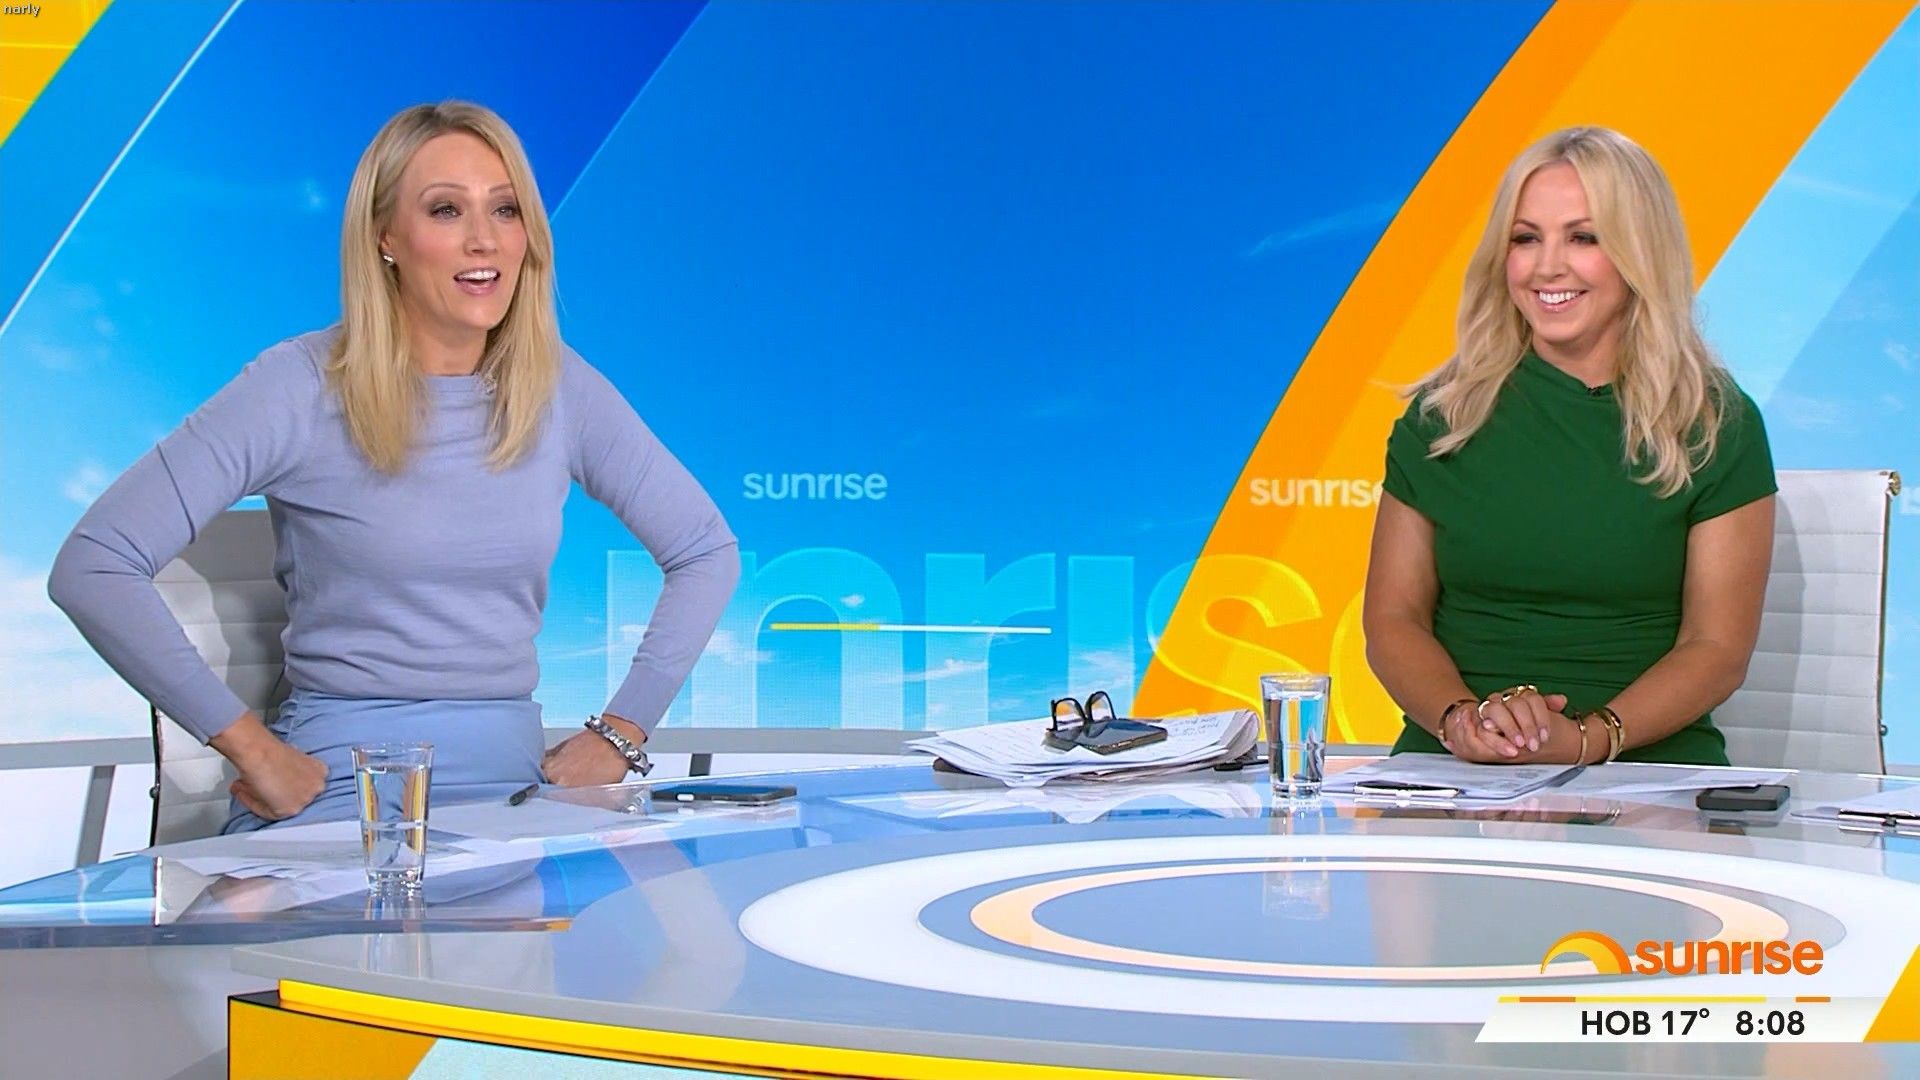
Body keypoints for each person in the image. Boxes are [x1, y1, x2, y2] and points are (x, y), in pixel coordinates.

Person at [48, 101, 740, 830]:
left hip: (514, 797)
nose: (484, 240)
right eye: (446, 210)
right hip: (342, 794)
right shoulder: (298, 386)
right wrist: (250, 747)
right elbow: (94, 565)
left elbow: (704, 550)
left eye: (505, 210)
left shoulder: (558, 386)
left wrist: (622, 732)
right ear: (386, 237)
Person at [1362, 126, 1775, 767]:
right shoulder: (1443, 417)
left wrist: (1586, 740)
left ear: (1640, 251)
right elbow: (1394, 621)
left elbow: (1716, 648)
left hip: (1644, 772)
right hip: (1455, 767)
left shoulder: (1714, 422)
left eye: (1584, 238)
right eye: (1525, 238)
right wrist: (1460, 721)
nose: (1547, 266)